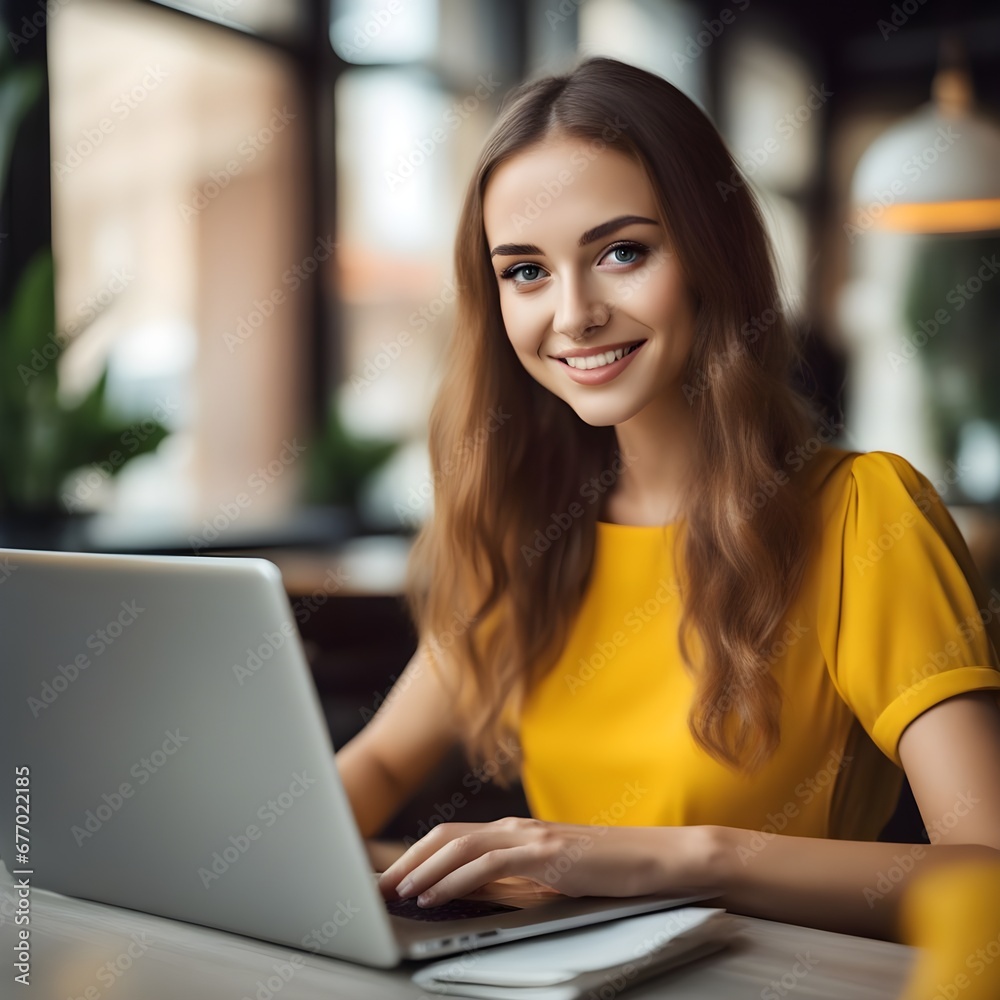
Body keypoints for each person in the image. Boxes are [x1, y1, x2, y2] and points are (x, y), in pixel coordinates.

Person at [335, 55, 1000, 940]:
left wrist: (685, 859)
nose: (573, 314)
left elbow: (986, 874)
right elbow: (378, 761)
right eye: (525, 271)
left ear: (710, 256)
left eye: (621, 252)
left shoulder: (863, 515)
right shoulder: (529, 531)